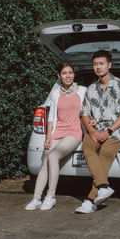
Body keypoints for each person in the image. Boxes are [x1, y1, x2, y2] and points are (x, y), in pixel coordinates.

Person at [75, 50, 120, 214]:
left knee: (105, 154)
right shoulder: (91, 88)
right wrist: (91, 130)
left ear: (109, 65)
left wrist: (108, 131)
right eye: (95, 64)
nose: (98, 67)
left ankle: (91, 200)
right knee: (87, 147)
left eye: (101, 63)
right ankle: (103, 187)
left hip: (117, 129)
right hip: (96, 128)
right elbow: (84, 113)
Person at [25, 62, 87, 211]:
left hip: (74, 132)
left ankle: (51, 197)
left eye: (71, 72)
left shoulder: (83, 91)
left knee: (53, 156)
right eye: (65, 73)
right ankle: (36, 199)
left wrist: (88, 133)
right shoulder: (55, 94)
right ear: (59, 76)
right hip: (57, 132)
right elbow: (51, 118)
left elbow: (87, 113)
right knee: (45, 159)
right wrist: (48, 137)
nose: (68, 76)